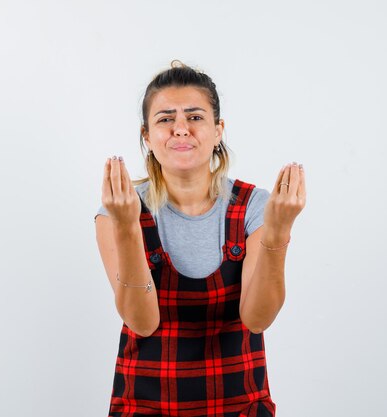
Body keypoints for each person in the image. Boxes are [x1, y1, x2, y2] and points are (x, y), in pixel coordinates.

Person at [94, 61, 306, 417]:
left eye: (194, 117)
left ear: (218, 129)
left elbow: (256, 318)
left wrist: (279, 231)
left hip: (239, 406)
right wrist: (128, 227)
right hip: (146, 406)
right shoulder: (118, 210)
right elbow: (142, 322)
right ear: (147, 136)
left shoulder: (254, 206)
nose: (181, 129)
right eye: (165, 119)